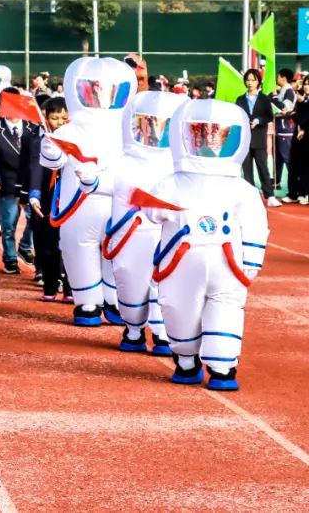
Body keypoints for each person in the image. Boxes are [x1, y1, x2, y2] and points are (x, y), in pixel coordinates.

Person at [144, 99, 269, 390]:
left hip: (223, 262)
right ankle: (187, 361)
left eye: (218, 135)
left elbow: (255, 224)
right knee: (178, 308)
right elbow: (150, 210)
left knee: (224, 308)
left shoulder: (240, 188)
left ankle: (222, 366)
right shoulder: (171, 183)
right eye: (200, 134)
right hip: (183, 260)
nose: (209, 142)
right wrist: (157, 210)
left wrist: (250, 260)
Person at [42, 57, 136, 326]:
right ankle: (87, 302)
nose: (101, 97)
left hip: (118, 203)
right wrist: (50, 148)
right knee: (78, 249)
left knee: (118, 253)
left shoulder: (129, 129)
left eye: (108, 91)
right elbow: (53, 161)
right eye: (93, 90)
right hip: (78, 205)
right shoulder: (70, 129)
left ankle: (115, 300)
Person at [101, 91, 185, 355]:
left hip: (167, 236)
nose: (154, 131)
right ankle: (134, 329)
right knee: (129, 282)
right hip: (130, 236)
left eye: (162, 124)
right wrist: (88, 176)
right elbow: (102, 183)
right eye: (148, 123)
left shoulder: (180, 166)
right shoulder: (123, 162)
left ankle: (163, 334)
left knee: (168, 284)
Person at [0, 91, 37, 274]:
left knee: (35, 220)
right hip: (8, 183)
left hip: (30, 183)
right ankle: (10, 258)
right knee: (8, 226)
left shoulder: (33, 129)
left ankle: (24, 246)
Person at [28, 97, 71, 302]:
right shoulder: (40, 142)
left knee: (73, 244)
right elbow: (36, 169)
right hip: (48, 199)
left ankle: (72, 289)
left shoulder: (79, 141)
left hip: (74, 200)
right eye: (55, 118)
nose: (60, 122)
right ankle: (51, 284)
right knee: (48, 245)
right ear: (46, 118)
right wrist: (34, 194)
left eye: (64, 117)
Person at [235, 69, 281, 207]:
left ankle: (270, 196)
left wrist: (258, 121)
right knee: (247, 170)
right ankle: (251, 197)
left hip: (259, 138)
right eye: (248, 80)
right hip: (245, 140)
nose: (250, 83)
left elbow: (268, 116)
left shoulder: (264, 99)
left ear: (258, 82)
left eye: (253, 80)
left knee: (263, 168)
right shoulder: (240, 99)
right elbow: (237, 115)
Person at [274, 68, 296, 199]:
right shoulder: (282, 90)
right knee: (278, 158)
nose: (276, 79)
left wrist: (274, 98)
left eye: (278, 76)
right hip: (279, 129)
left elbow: (285, 108)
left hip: (286, 130)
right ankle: (276, 181)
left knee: (287, 158)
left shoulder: (288, 91)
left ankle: (295, 185)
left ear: (283, 78)